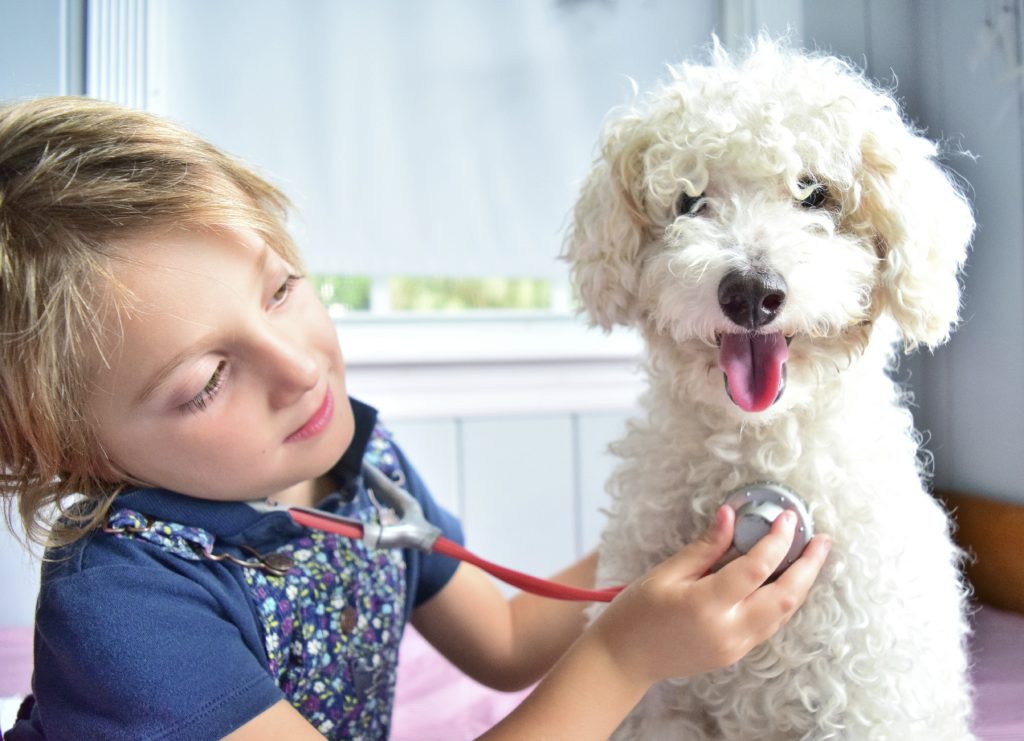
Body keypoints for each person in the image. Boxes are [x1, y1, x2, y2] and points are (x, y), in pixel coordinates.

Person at [0, 96, 831, 741]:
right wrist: (625, 655)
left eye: (282, 288)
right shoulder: (126, 605)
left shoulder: (359, 468)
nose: (300, 368)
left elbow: (503, 640)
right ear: (63, 446)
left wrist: (668, 531)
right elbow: (605, 654)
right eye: (210, 380)